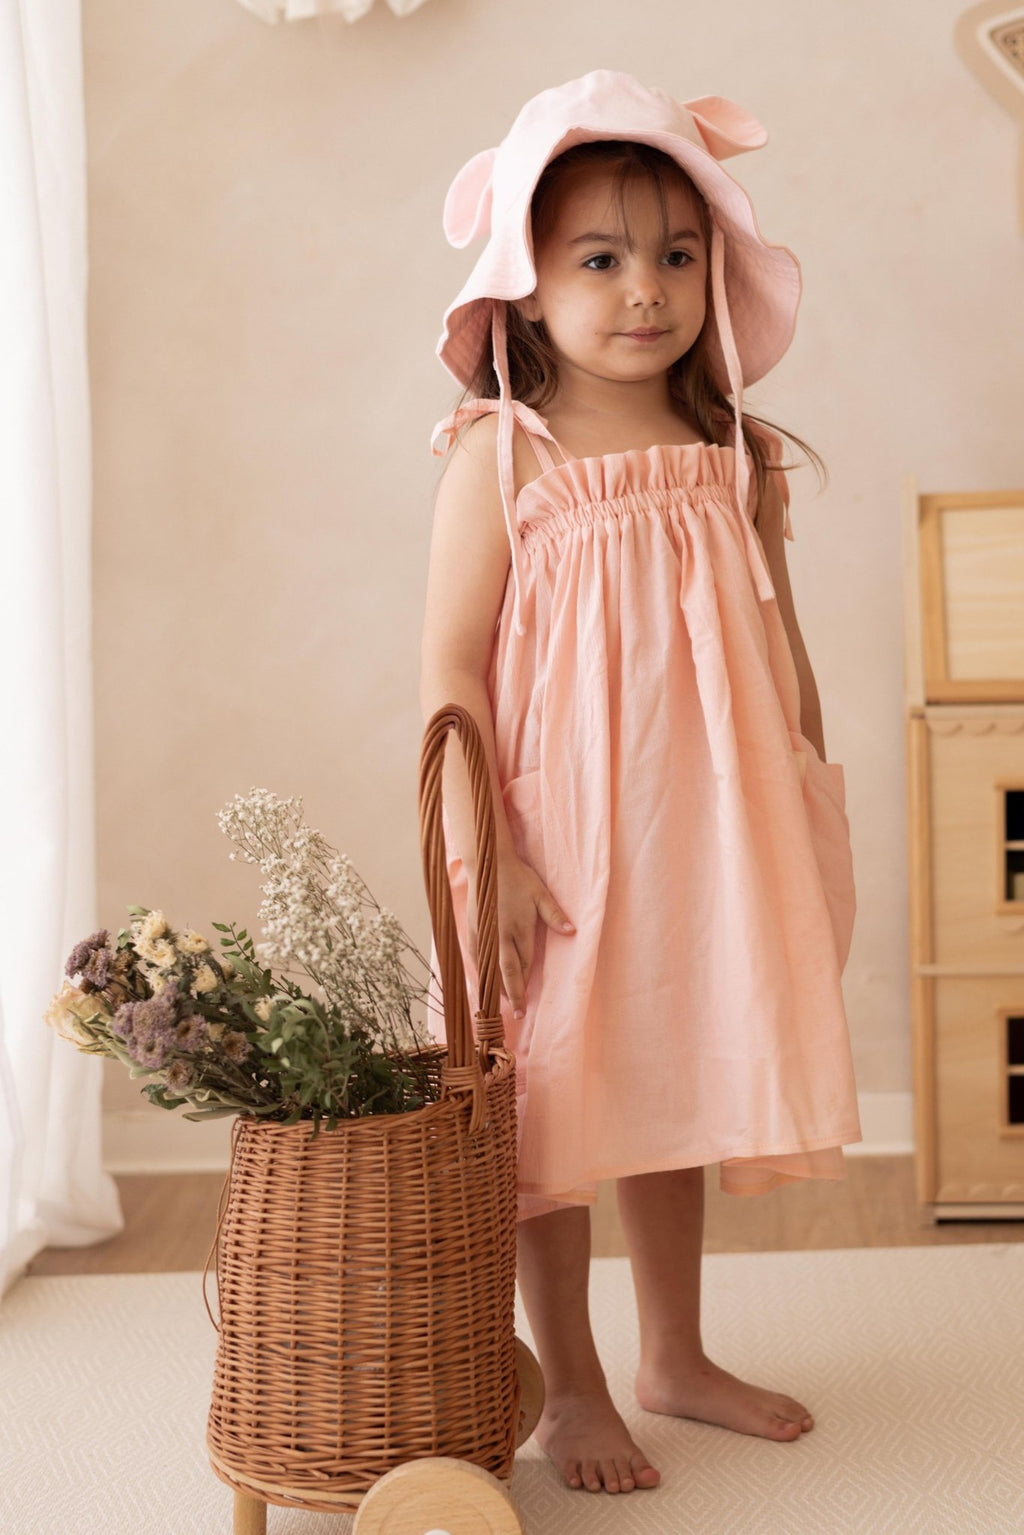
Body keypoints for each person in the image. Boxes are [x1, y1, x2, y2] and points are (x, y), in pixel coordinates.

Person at [419, 69, 862, 1497]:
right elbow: (450, 675)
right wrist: (483, 849)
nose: (644, 290)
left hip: (712, 826)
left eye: (676, 255)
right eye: (598, 259)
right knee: (552, 1113)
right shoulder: (503, 457)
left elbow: (777, 630)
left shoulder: (732, 453)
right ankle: (575, 1384)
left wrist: (799, 775)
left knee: (673, 1071)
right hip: (562, 831)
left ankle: (675, 1351)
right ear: (527, 284)